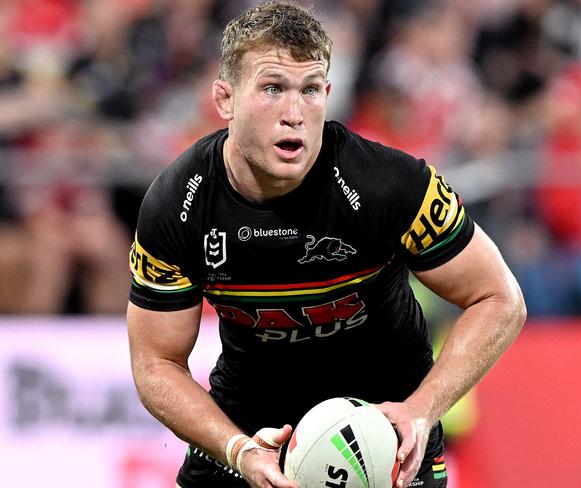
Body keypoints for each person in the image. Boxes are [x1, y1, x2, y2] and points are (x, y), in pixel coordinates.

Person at [126, 2, 527, 488]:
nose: (294, 114)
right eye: (272, 88)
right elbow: (156, 362)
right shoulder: (175, 205)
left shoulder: (389, 184)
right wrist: (238, 448)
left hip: (386, 433)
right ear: (224, 99)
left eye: (310, 90)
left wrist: (422, 411)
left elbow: (500, 298)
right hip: (251, 427)